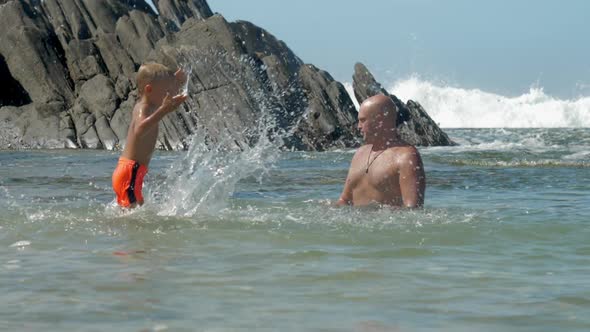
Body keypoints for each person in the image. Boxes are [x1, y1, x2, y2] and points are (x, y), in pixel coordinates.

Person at [112, 62, 188, 208]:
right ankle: (110, 227)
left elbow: (166, 92)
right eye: (166, 91)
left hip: (131, 172)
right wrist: (164, 110)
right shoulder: (143, 108)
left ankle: (113, 226)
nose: (170, 94)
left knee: (134, 211)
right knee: (131, 215)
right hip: (130, 172)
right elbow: (140, 130)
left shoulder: (152, 104)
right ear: (149, 90)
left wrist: (176, 79)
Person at [337, 94, 425, 208]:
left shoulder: (406, 156)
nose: (358, 126)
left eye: (363, 120)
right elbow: (344, 200)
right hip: (355, 224)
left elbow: (413, 210)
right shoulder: (360, 153)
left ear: (380, 120)